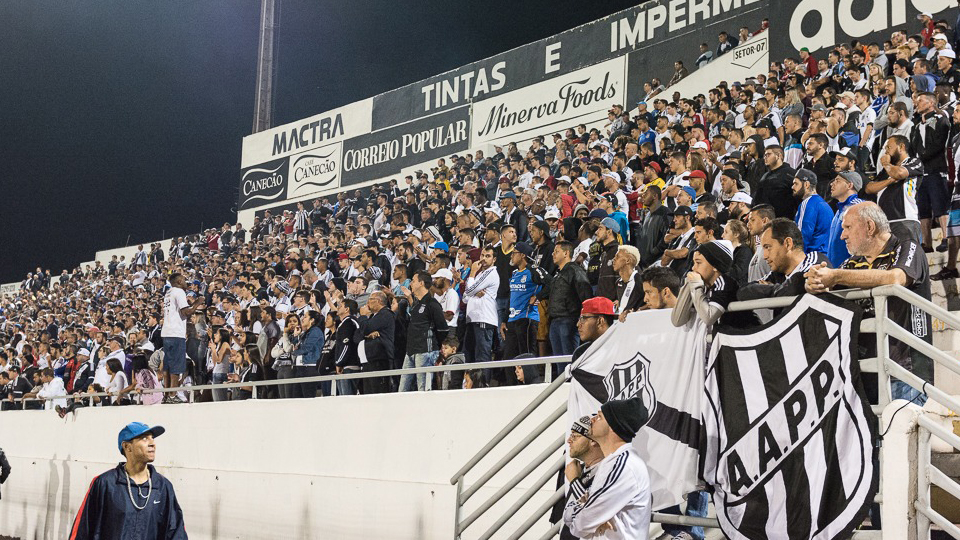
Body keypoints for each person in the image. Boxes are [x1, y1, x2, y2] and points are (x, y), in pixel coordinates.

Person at [805, 202, 931, 403]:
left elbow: (895, 278)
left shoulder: (907, 247)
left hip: (905, 373)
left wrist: (836, 276)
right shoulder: (853, 262)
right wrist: (815, 282)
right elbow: (829, 286)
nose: (842, 236)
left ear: (870, 227)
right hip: (866, 371)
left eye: (847, 228)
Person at [70, 422, 187, 539]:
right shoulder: (105, 483)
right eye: (144, 438)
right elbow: (83, 529)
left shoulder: (163, 487)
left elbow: (176, 532)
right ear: (127, 447)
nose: (152, 444)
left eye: (152, 438)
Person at [562, 397, 652, 540]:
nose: (592, 420)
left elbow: (580, 524)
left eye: (600, 417)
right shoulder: (611, 463)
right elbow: (573, 516)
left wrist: (586, 515)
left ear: (612, 426)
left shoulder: (623, 466)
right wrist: (590, 516)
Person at [161, 273, 206, 404]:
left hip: (167, 332)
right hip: (176, 333)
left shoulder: (169, 292)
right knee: (175, 366)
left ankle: (166, 395)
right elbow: (185, 312)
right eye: (184, 280)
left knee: (167, 367)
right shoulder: (179, 291)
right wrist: (198, 302)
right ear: (179, 281)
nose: (186, 282)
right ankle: (173, 395)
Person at [400, 271, 449, 391]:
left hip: (425, 351)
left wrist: (433, 345)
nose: (410, 283)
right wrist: (409, 297)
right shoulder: (417, 304)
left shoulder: (432, 304)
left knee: (423, 389)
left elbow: (443, 329)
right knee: (402, 390)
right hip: (411, 351)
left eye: (413, 281)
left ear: (421, 283)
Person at [548, 242, 594, 357]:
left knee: (569, 360)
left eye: (556, 251)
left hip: (569, 320)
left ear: (566, 253)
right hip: (555, 321)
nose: (553, 254)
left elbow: (586, 294)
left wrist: (583, 318)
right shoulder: (558, 273)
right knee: (558, 361)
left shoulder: (575, 270)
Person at [360, 291, 395, 394]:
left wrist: (363, 316)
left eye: (370, 299)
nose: (367, 302)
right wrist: (367, 334)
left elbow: (366, 329)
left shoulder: (385, 314)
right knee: (368, 393)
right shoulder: (372, 317)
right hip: (369, 360)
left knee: (378, 392)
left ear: (379, 301)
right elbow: (359, 334)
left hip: (380, 359)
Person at [792, 169, 833, 254]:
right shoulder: (824, 204)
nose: (793, 187)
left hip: (812, 257)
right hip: (825, 256)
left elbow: (801, 237)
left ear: (806, 184)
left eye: (796, 183)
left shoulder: (807, 203)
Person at [572, 297, 616, 363]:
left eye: (583, 318)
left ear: (600, 321)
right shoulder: (581, 353)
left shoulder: (621, 350)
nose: (578, 324)